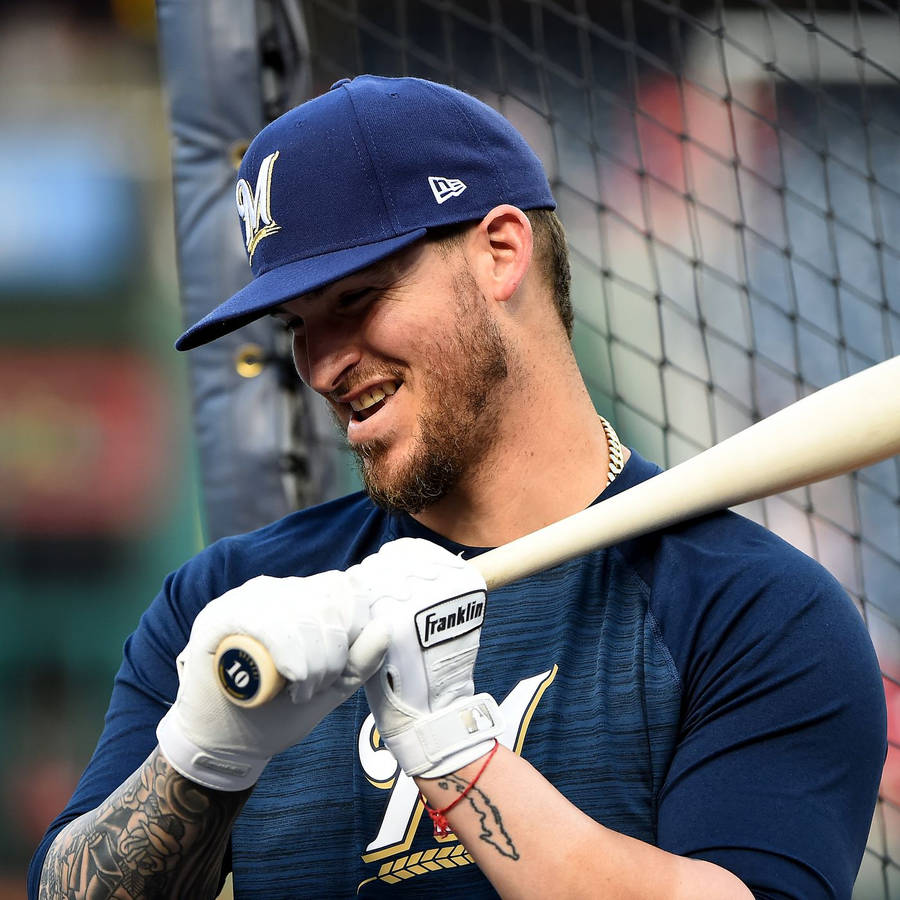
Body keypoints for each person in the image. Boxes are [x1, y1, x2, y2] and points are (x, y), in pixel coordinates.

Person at [30, 74, 885, 900]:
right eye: (297, 325)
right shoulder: (228, 601)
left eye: (356, 298)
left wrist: (453, 752)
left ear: (500, 252)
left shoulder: (749, 609)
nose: (321, 366)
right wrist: (202, 755)